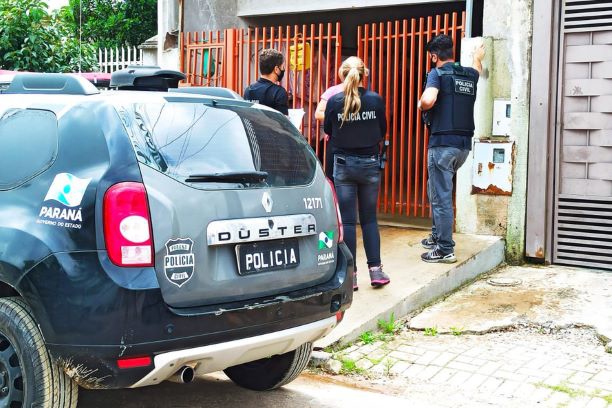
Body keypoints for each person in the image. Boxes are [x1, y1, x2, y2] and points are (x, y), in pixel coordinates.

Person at [323, 56, 390, 291]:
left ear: (342, 75)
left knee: (349, 222)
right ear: (365, 75)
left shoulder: (334, 101)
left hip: (343, 165)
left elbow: (328, 130)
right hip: (370, 165)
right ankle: (376, 271)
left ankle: (351, 276)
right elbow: (382, 130)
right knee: (370, 219)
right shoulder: (375, 100)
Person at [418, 34, 485, 263]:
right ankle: (438, 236)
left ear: (434, 56)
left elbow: (428, 101)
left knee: (441, 198)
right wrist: (478, 56)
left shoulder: (436, 74)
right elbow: (478, 68)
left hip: (442, 145)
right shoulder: (468, 74)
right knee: (436, 191)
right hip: (463, 147)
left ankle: (445, 249)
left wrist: (421, 103)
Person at [315, 69, 345, 179]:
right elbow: (318, 114)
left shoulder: (362, 93)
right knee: (332, 178)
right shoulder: (333, 91)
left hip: (355, 143)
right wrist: (339, 117)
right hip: (335, 140)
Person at [243, 49, 289, 115]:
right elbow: (283, 122)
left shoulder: (248, 90)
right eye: (282, 67)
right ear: (276, 69)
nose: (283, 70)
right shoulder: (279, 92)